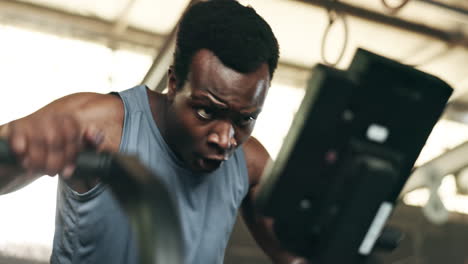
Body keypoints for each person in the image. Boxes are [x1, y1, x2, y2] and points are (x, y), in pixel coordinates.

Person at [0, 1, 308, 263]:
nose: (225, 139)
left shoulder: (251, 163)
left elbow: (297, 254)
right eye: (206, 111)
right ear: (174, 84)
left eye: (244, 119)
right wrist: (18, 157)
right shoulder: (96, 124)